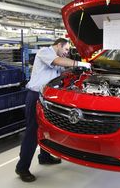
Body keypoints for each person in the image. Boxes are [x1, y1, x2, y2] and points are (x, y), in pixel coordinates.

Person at [15, 38, 90, 182]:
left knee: (47, 127)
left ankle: (44, 157)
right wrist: (80, 63)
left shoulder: (59, 57)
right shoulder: (45, 52)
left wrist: (76, 69)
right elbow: (58, 62)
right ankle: (22, 167)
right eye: (66, 49)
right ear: (59, 45)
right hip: (35, 96)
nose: (66, 53)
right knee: (32, 131)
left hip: (49, 97)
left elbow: (63, 70)